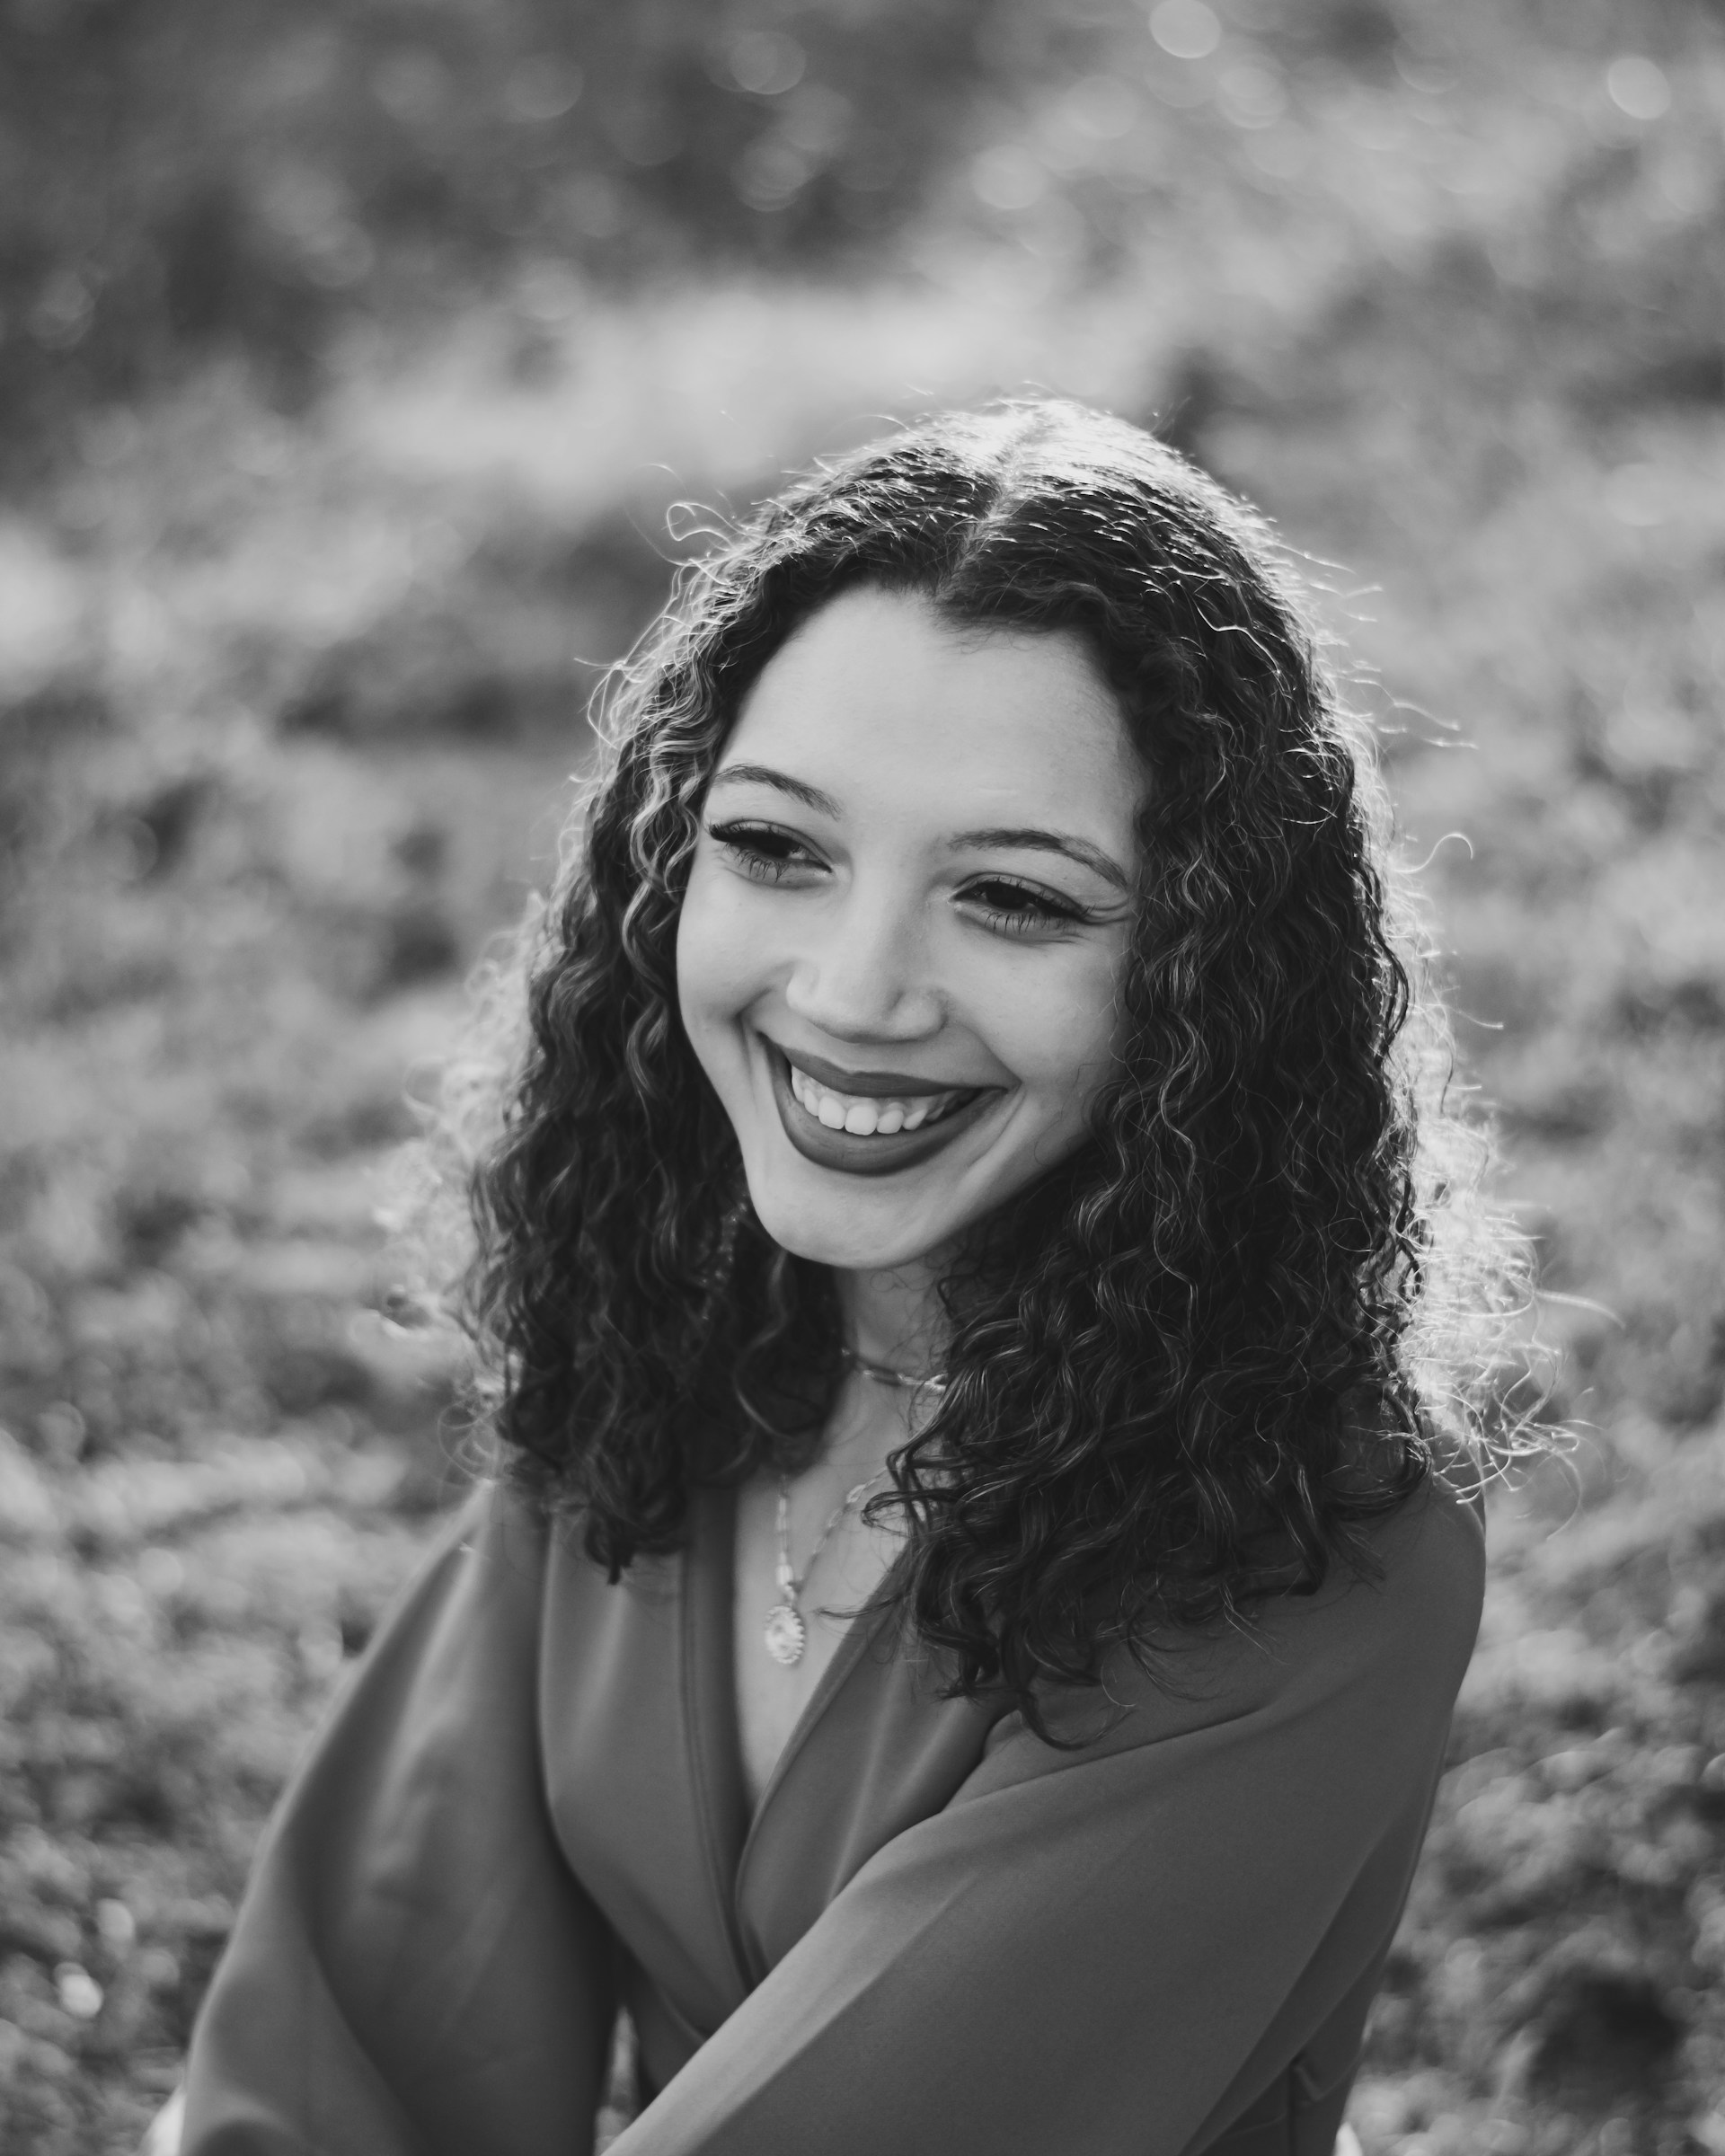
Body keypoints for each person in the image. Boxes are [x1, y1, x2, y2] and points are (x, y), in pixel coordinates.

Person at [172, 400, 1519, 2155]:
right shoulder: (670, 1349)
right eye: (779, 849)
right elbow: (346, 2029)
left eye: (1016, 900)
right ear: (671, 859)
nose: (855, 991)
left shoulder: (1311, 1551)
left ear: (1202, 980)